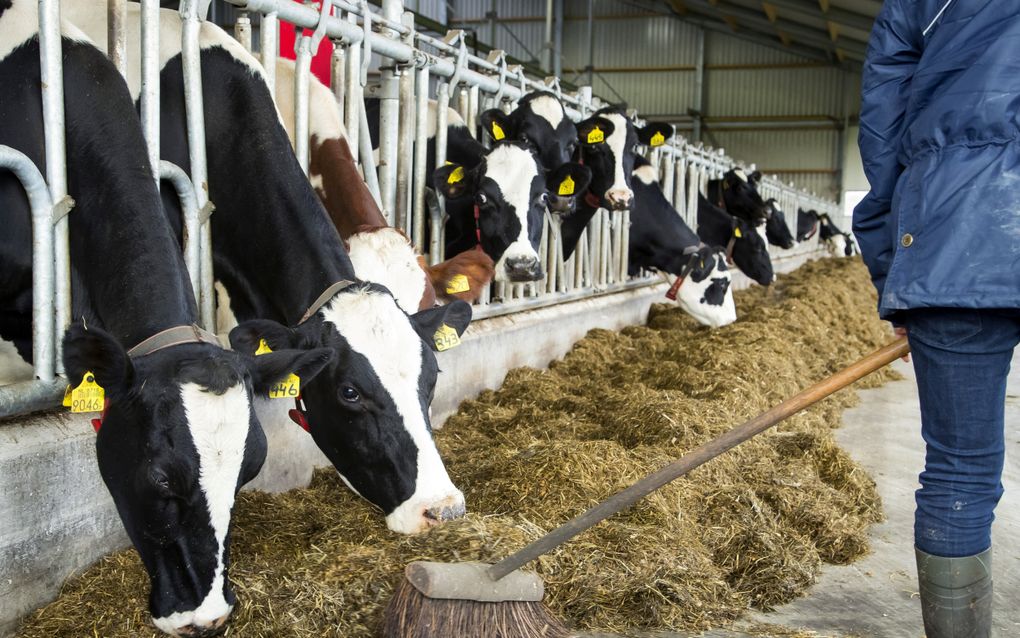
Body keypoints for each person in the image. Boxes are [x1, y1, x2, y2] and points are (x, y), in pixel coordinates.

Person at [855, 2, 1020, 636]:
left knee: (959, 468)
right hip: (956, 239)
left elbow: (883, 135)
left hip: (955, 232)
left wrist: (894, 273)